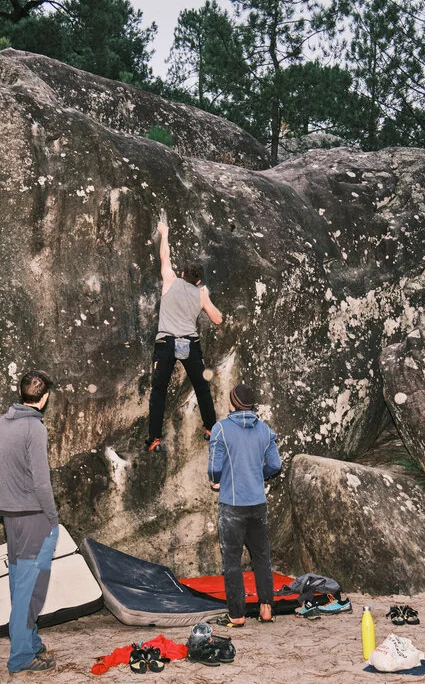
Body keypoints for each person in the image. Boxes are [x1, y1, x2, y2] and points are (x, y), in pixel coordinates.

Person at [0, 370, 60, 675]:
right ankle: (20, 655)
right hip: (34, 515)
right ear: (44, 398)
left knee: (19, 583)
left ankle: (30, 641)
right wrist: (53, 518)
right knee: (30, 587)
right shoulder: (35, 428)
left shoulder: (3, 422)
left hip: (9, 515)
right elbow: (42, 483)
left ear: (22, 393)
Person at [146, 214, 224, 452]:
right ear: (199, 280)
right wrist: (205, 297)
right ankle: (210, 428)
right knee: (201, 387)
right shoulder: (201, 293)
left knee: (159, 390)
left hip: (166, 342)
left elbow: (164, 256)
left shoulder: (170, 280)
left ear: (182, 274)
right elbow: (218, 319)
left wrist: (164, 234)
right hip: (190, 343)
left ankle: (154, 439)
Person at [207, 383, 281, 627]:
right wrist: (258, 474)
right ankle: (267, 608)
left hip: (232, 504)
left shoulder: (221, 429)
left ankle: (237, 615)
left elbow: (215, 468)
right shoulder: (265, 430)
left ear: (232, 403)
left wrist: (216, 481)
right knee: (262, 558)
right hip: (258, 503)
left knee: (232, 561)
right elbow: (275, 465)